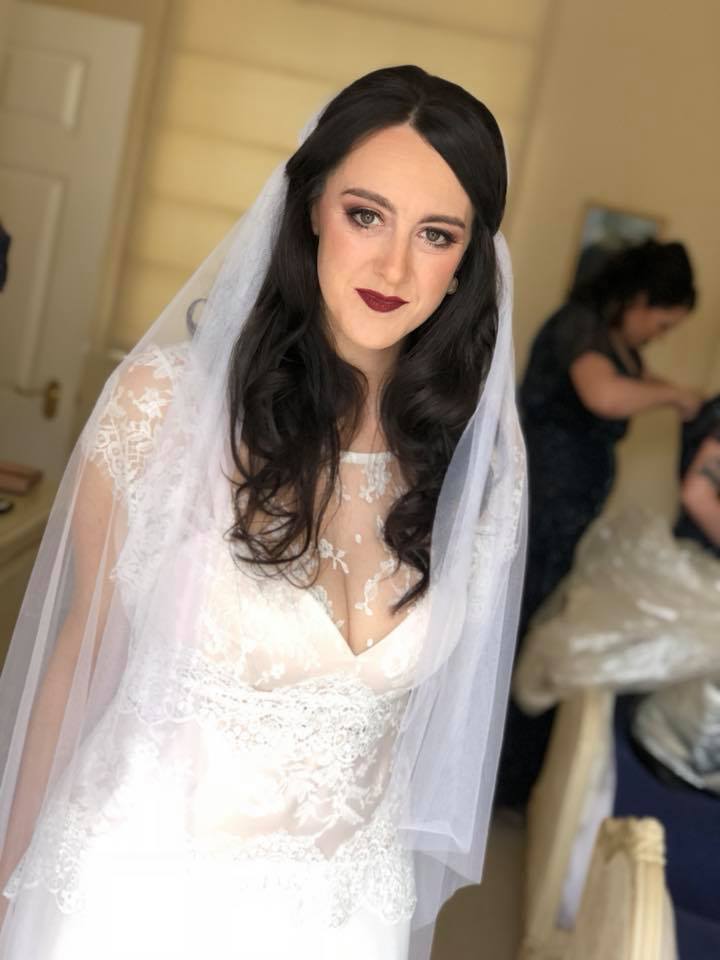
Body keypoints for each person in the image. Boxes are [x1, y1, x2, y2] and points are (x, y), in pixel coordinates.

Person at [0, 66, 527, 960]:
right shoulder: (163, 412)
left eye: (435, 235)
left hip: (345, 922)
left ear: (466, 265)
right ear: (312, 209)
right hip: (131, 899)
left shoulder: (478, 470)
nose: (394, 267)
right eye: (366, 215)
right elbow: (77, 663)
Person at [496, 239, 702, 808]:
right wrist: (673, 394)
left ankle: (515, 778)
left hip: (569, 513)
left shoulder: (616, 341)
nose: (658, 335)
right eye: (660, 323)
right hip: (540, 505)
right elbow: (604, 396)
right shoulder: (579, 326)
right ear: (638, 299)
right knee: (517, 626)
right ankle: (497, 775)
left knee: (540, 628)